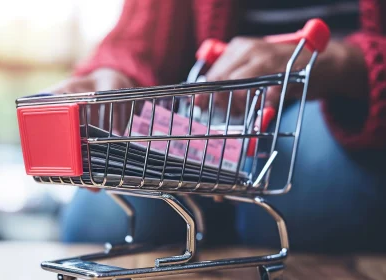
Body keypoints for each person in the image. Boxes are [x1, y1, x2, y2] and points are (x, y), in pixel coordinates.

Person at [55, 0, 386, 252]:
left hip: (345, 105)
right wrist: (118, 75)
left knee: (302, 195)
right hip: (213, 112)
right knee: (100, 219)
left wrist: (347, 65)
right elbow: (141, 39)